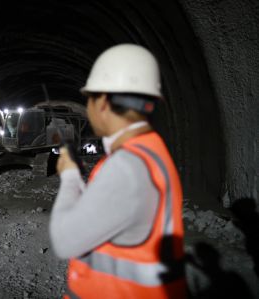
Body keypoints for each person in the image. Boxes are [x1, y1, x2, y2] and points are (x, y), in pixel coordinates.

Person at [49, 44, 186, 298]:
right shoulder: (149, 152)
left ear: (102, 101)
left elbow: (64, 241)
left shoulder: (127, 166)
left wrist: (68, 176)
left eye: (88, 99)